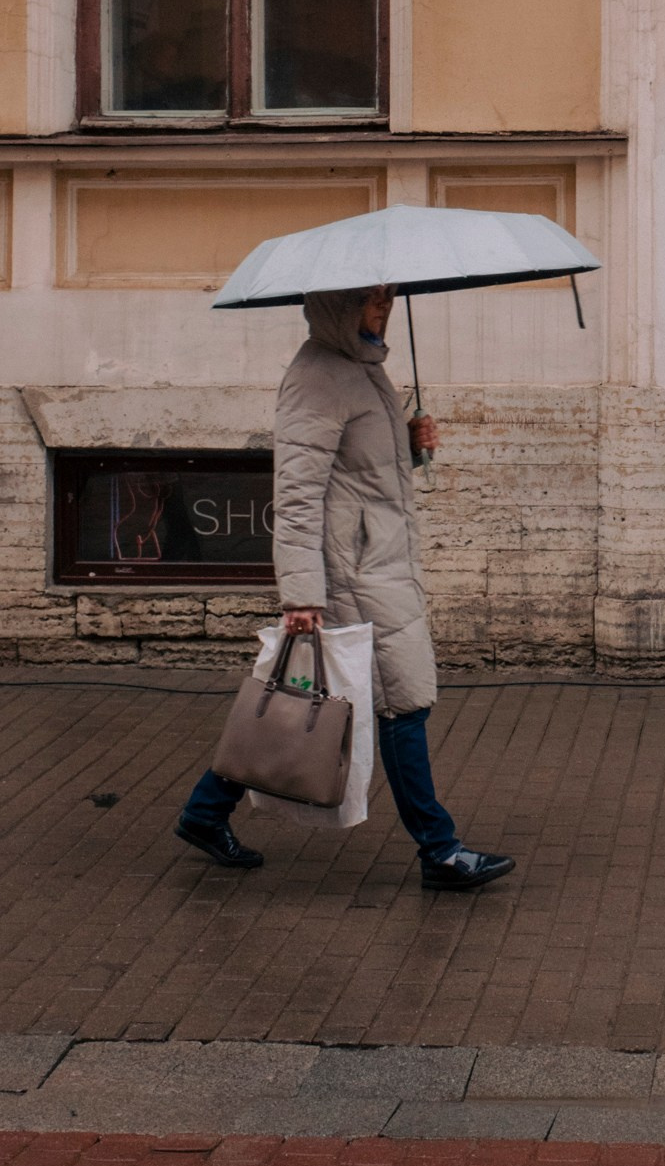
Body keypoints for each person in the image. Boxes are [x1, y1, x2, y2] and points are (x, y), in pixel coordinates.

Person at [176, 284, 516, 891]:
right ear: (335, 304)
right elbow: (298, 496)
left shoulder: (366, 371)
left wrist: (411, 449)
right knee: (401, 706)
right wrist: (302, 594)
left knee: (312, 701)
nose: (380, 309)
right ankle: (440, 850)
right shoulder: (318, 377)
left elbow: (360, 479)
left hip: (380, 563)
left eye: (387, 299)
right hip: (350, 574)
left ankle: (205, 812)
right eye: (367, 299)